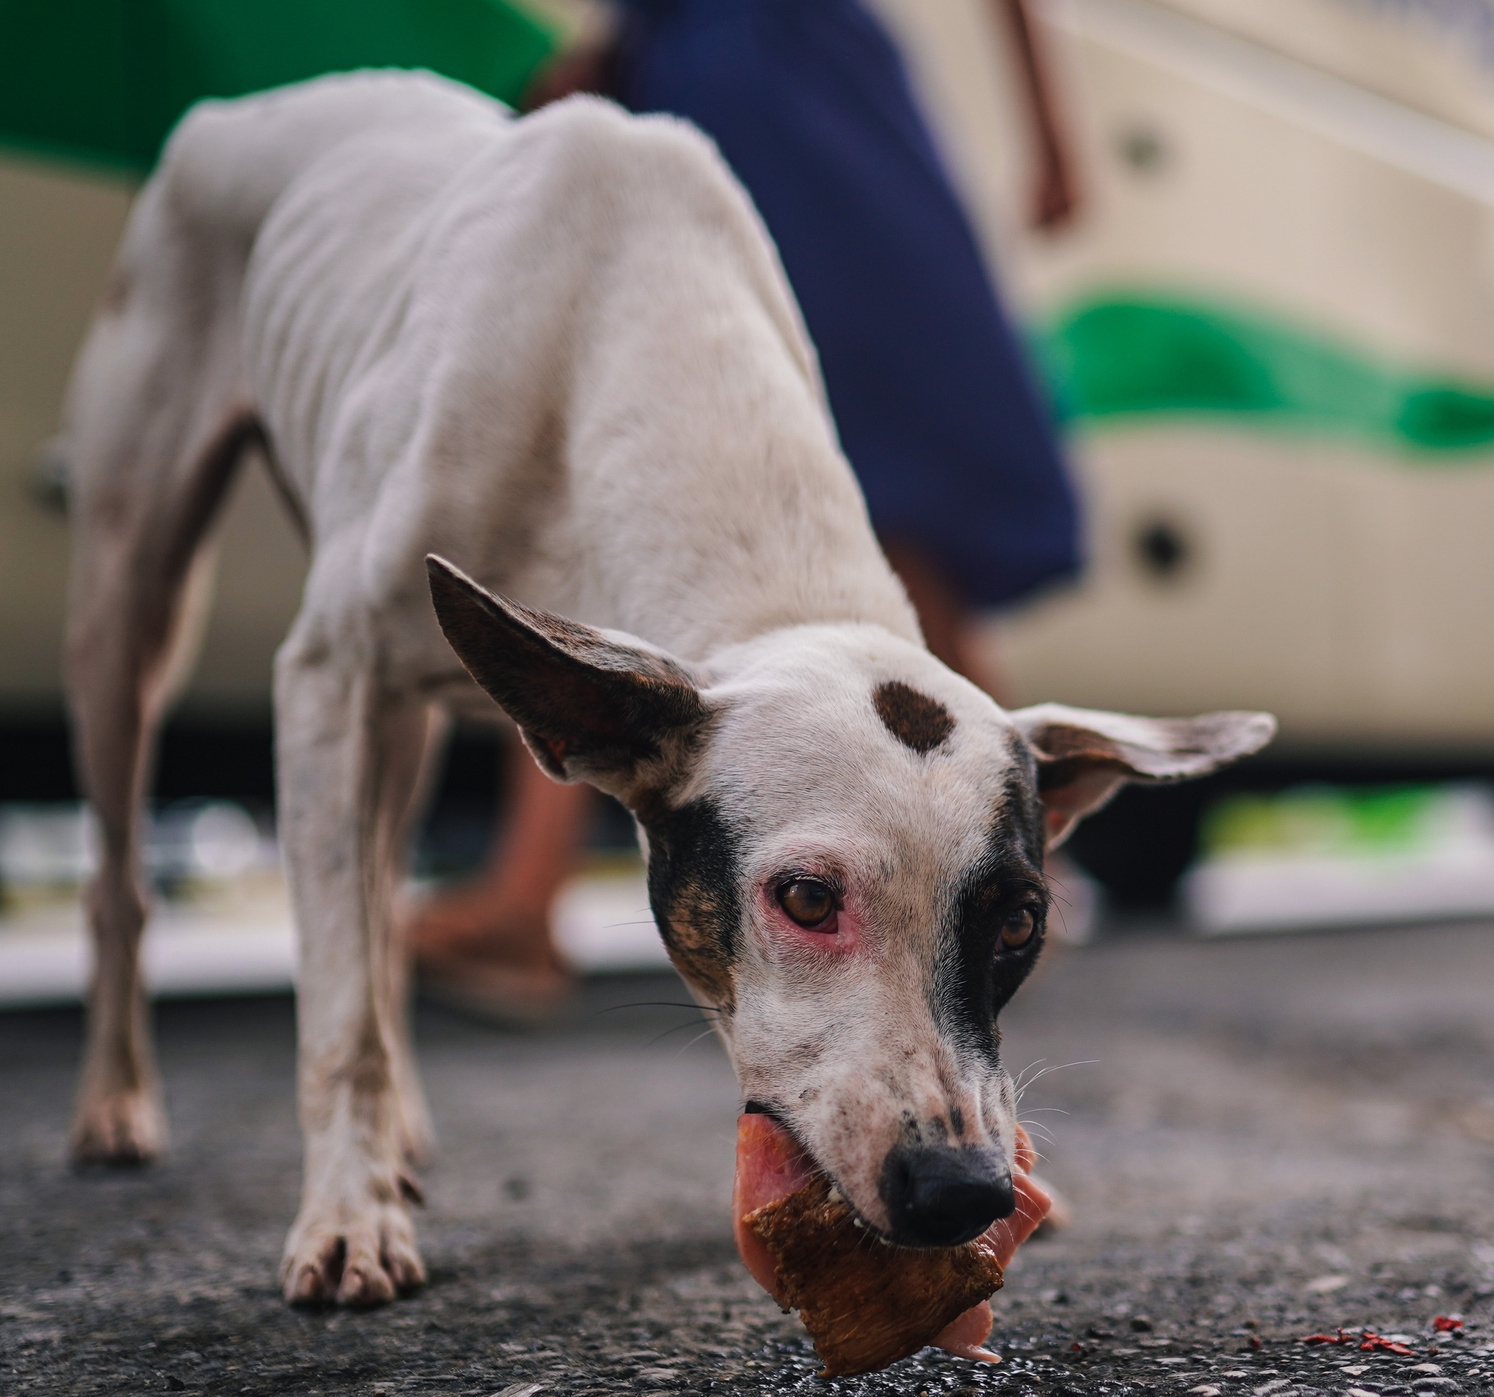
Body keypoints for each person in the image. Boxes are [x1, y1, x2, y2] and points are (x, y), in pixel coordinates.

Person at [411, 0, 1085, 1017]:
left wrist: (1052, 133)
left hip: (800, 94)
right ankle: (527, 891)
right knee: (644, 465)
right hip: (688, 79)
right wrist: (618, 48)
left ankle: (998, 847)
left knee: (877, 473)